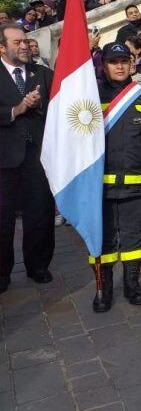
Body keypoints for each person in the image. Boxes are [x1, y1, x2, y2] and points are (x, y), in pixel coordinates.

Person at [90, 42, 141, 312]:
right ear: (104, 66)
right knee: (102, 239)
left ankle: (132, 284)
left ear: (132, 64)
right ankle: (103, 289)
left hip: (137, 184)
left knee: (134, 237)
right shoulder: (90, 96)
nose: (119, 66)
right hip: (98, 186)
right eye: (114, 62)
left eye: (124, 61)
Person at [0, 24, 55, 294]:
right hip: (4, 160)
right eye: (17, 42)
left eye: (26, 40)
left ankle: (38, 266)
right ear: (2, 47)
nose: (24, 46)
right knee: (3, 219)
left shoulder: (42, 73)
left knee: (40, 214)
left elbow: (61, 104)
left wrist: (40, 104)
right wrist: (18, 108)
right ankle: (2, 273)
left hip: (37, 158)